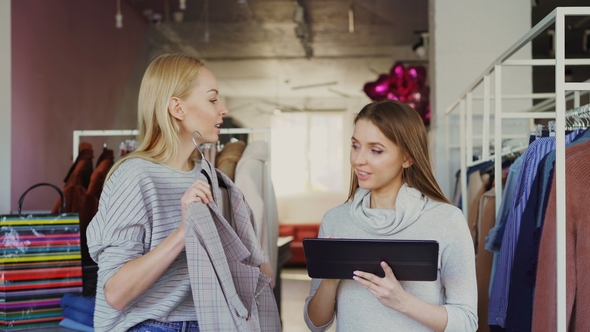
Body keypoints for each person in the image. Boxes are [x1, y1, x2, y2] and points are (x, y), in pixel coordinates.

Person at [86, 53, 276, 331]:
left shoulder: (211, 177)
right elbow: (115, 293)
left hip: (209, 322)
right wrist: (183, 232)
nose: (222, 109)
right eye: (212, 99)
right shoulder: (135, 176)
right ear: (177, 108)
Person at [303, 100, 477, 332]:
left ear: (407, 158)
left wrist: (401, 301)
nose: (358, 159)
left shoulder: (447, 220)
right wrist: (331, 278)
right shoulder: (336, 220)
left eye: (375, 150)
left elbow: (466, 322)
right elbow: (316, 324)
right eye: (355, 146)